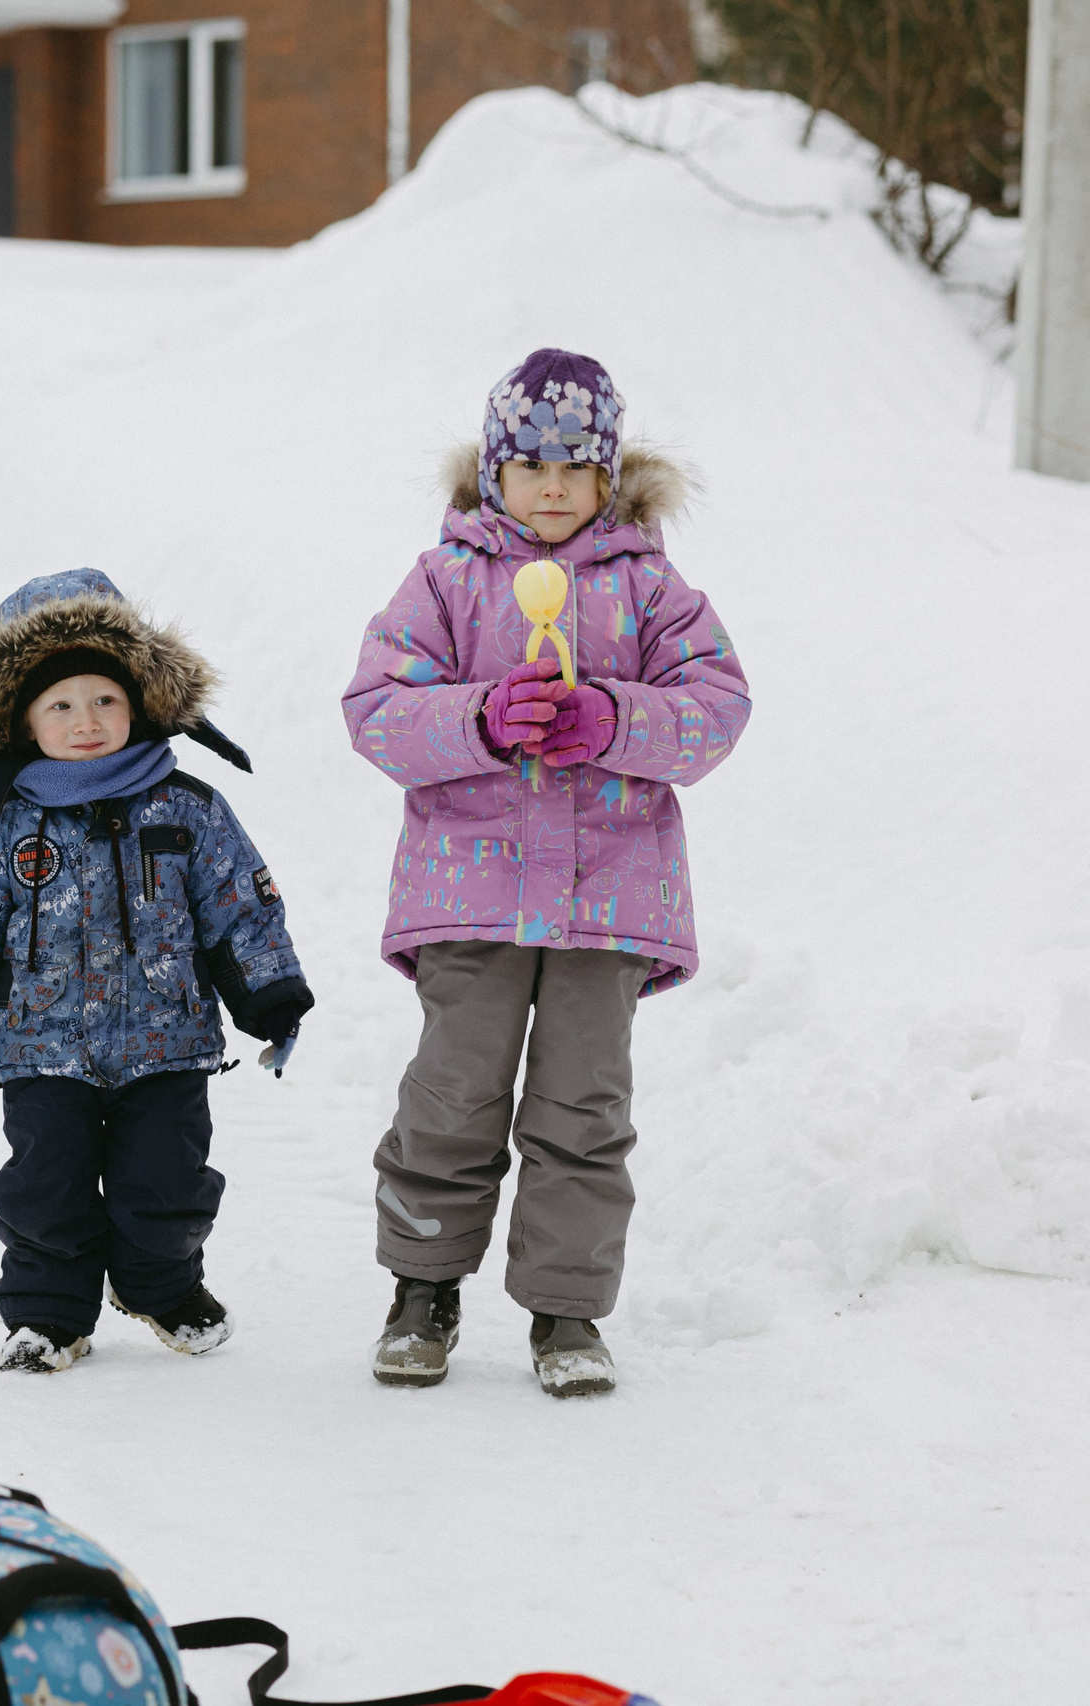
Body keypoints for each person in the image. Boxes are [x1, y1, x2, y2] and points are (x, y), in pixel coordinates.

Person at [341, 349, 749, 1398]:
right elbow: (376, 712)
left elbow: (714, 711)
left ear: (610, 474)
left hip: (607, 900)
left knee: (581, 1108)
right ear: (493, 472)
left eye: (577, 465)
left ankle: (566, 1307)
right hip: (466, 892)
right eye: (531, 465)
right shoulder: (442, 580)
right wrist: (478, 717)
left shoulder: (654, 588)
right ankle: (421, 1287)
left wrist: (616, 716)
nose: (555, 486)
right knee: (452, 1096)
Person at [0, 570, 312, 1374]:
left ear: (140, 703)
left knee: (168, 1183)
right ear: (22, 717)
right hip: (38, 1047)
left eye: (104, 701)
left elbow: (242, 910)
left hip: (165, 1041)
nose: (85, 722)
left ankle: (159, 1285)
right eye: (60, 705)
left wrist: (271, 1001)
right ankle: (49, 1316)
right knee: (43, 1189)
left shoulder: (187, 807)